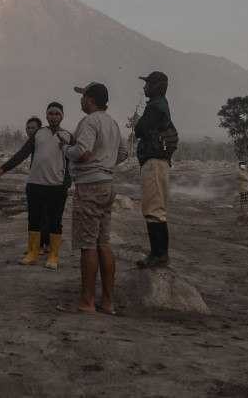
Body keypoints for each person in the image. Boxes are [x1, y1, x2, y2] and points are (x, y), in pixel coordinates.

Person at [63, 82, 128, 315]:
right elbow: (123, 152)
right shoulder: (112, 122)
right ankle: (108, 302)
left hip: (89, 185)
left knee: (87, 244)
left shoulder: (90, 121)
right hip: (107, 183)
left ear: (90, 99)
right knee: (103, 242)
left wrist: (66, 151)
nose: (80, 101)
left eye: (83, 97)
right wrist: (106, 164)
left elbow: (82, 150)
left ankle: (87, 301)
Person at [0, 105, 71, 269]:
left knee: (55, 221)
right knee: (34, 219)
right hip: (35, 184)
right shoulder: (39, 133)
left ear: (62, 116)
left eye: (57, 114)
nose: (53, 117)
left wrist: (67, 183)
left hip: (57, 187)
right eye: (50, 114)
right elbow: (22, 153)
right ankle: (32, 253)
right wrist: (3, 169)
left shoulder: (68, 136)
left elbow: (73, 160)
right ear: (46, 116)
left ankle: (53, 256)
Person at [133, 71, 175, 269]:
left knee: (154, 209)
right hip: (158, 162)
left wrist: (139, 125)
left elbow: (139, 129)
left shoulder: (156, 106)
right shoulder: (161, 104)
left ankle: (159, 255)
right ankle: (158, 254)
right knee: (155, 208)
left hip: (154, 162)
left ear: (157, 86)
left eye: (148, 83)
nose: (144, 87)